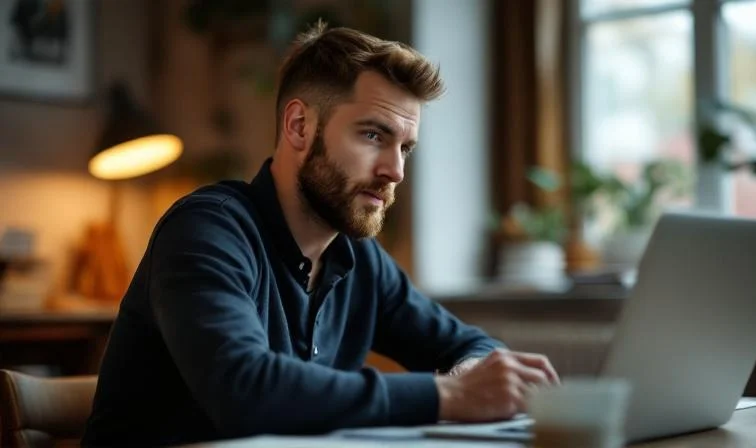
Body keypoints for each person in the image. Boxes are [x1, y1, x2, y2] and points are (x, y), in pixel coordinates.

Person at [82, 22, 559, 447]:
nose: (395, 171)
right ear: (299, 125)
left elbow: (468, 344)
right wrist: (449, 395)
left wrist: (471, 376)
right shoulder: (206, 231)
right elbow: (244, 390)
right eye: (373, 135)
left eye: (405, 148)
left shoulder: (359, 260)